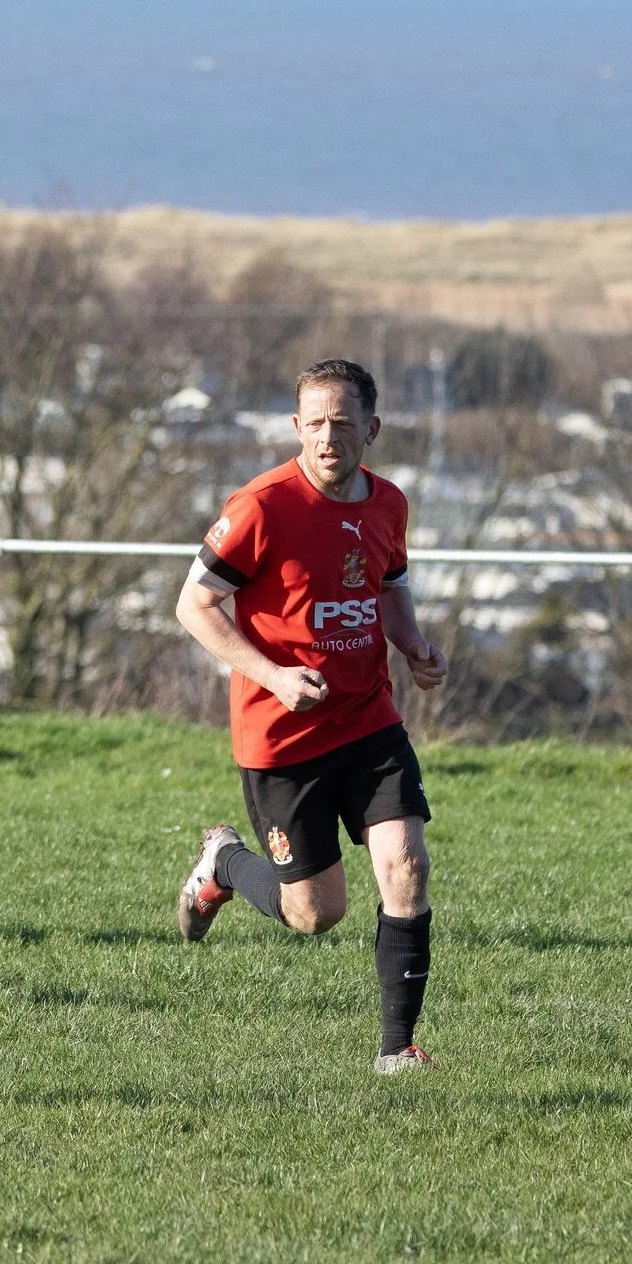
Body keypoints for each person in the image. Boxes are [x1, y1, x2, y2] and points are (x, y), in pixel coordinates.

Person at [172, 358, 449, 1076]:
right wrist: (271, 675)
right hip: (281, 739)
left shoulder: (388, 503)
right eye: (315, 424)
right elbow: (192, 606)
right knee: (314, 915)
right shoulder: (261, 507)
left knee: (407, 867)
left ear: (373, 430)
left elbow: (390, 583)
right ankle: (225, 864)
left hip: (368, 722)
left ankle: (398, 1051)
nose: (328, 438)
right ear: (297, 427)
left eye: (344, 424)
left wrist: (411, 643)